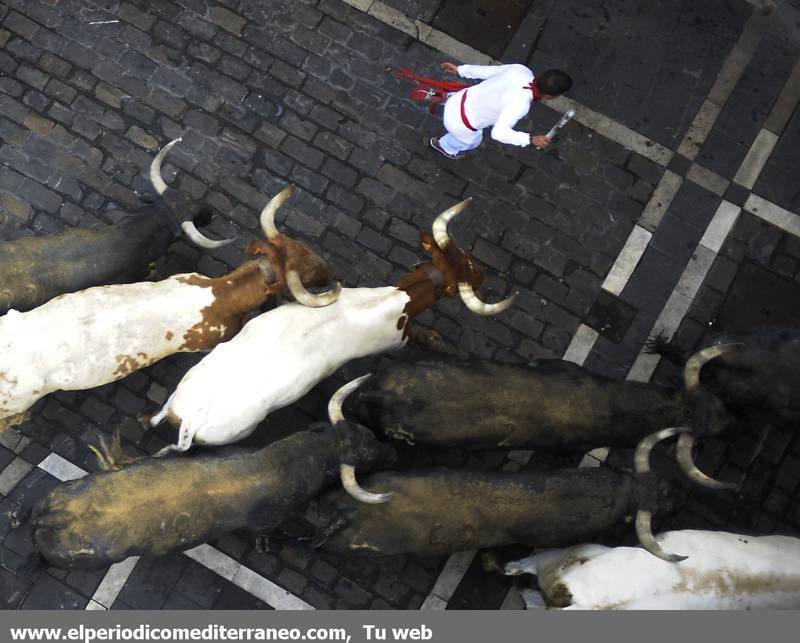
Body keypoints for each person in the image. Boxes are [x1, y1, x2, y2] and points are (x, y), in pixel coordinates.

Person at [430, 63, 572, 160]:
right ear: (549, 96)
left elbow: (486, 71)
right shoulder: (521, 104)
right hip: (460, 125)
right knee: (473, 142)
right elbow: (498, 133)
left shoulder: (520, 70)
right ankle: (443, 146)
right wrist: (529, 139)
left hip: (457, 99)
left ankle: (442, 97)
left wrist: (461, 70)